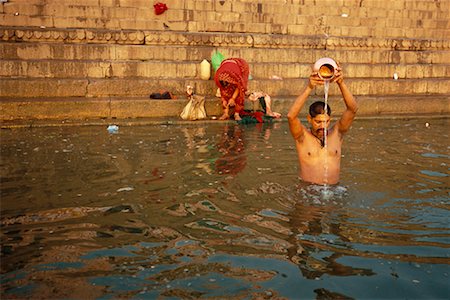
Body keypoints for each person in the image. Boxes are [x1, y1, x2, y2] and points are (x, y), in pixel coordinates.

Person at [287, 65, 358, 185]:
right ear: (309, 119)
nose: (323, 126)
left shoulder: (337, 133)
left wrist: (341, 83)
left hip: (334, 191)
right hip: (308, 191)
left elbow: (352, 109)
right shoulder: (302, 137)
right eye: (318, 122)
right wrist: (309, 87)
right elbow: (291, 116)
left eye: (326, 121)